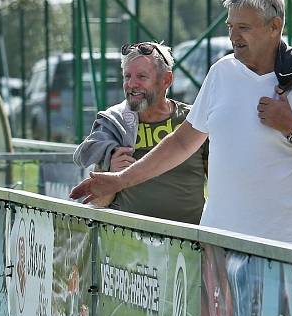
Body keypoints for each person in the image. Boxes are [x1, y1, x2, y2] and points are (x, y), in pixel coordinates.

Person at [70, 0, 292, 246]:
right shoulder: (222, 71)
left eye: (244, 27)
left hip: (286, 249)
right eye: (231, 26)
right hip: (217, 243)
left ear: (275, 26)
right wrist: (120, 180)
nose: (233, 36)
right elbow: (182, 142)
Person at [72, 41, 207, 223]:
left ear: (166, 80)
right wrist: (112, 171)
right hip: (129, 244)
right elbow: (98, 203)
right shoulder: (115, 125)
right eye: (127, 76)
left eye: (142, 76)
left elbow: (220, 184)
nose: (132, 84)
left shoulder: (192, 122)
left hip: (189, 243)